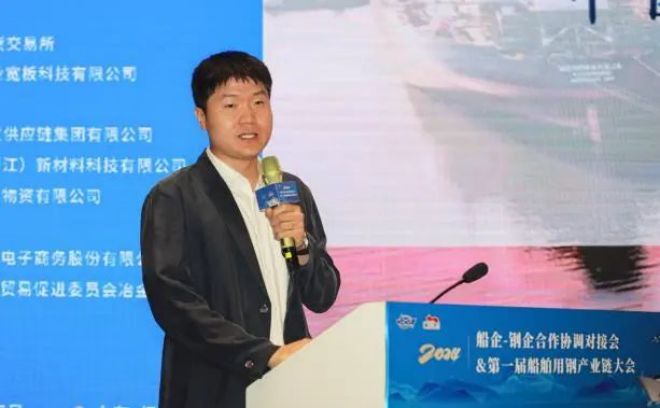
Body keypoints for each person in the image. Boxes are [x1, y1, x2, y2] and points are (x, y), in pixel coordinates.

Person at [140, 50, 341, 408]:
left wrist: (301, 245)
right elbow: (172, 301)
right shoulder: (175, 196)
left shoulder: (292, 190)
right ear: (201, 117)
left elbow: (322, 296)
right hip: (212, 390)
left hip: (290, 390)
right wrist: (263, 354)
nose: (249, 117)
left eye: (259, 102)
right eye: (230, 105)